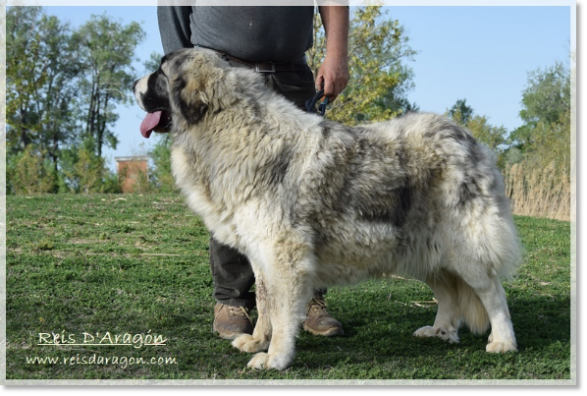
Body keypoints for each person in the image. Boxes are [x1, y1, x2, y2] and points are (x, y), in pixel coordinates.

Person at [157, 4, 350, 340]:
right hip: (220, 73)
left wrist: (336, 55)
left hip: (291, 74)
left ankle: (309, 298)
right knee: (231, 192)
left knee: (306, 192)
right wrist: (180, 69)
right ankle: (233, 300)